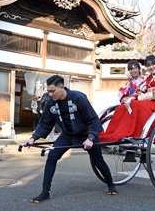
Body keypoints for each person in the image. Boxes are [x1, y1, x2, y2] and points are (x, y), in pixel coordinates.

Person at [23, 75, 117, 203]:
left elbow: (93, 119)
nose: (50, 94)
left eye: (53, 91)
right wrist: (32, 138)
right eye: (48, 91)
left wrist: (90, 138)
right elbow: (45, 123)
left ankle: (111, 184)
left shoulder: (78, 98)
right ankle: (45, 192)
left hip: (87, 134)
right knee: (52, 156)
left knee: (98, 161)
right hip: (68, 134)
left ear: (62, 87)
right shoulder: (51, 102)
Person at [99, 55, 155, 143]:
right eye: (148, 65)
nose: (151, 67)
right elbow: (139, 91)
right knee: (123, 107)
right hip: (146, 101)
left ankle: (139, 134)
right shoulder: (147, 79)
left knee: (138, 104)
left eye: (153, 64)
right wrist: (131, 98)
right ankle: (119, 133)